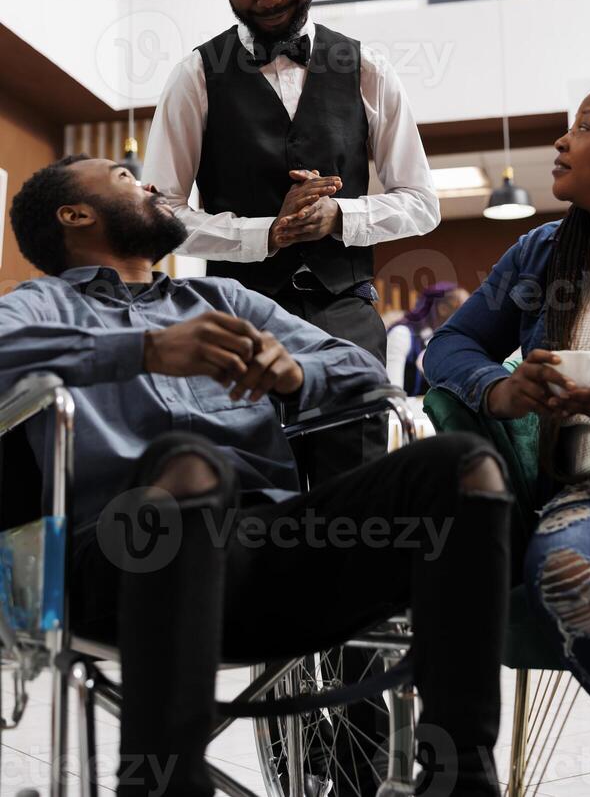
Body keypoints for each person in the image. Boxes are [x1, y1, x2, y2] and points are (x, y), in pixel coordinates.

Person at [5, 155, 510, 797]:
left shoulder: (227, 300)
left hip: (269, 551)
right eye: (126, 177)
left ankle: (459, 778)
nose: (154, 184)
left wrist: (298, 375)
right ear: (75, 214)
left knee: (462, 468)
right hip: (122, 560)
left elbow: (364, 372)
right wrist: (143, 350)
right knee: (190, 466)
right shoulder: (36, 305)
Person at [143, 0, 440, 476]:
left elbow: (421, 202)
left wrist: (341, 217)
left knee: (353, 490)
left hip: (347, 316)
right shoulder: (195, 76)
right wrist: (266, 234)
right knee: (255, 488)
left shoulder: (368, 68)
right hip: (236, 317)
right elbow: (158, 215)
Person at [424, 71, 590, 762]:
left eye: (586, 128)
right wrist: (501, 390)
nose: (562, 140)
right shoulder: (542, 254)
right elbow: (451, 346)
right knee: (566, 578)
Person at [386, 283, 469, 394]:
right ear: (443, 309)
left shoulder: (449, 341)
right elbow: (393, 392)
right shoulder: (401, 335)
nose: (468, 316)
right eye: (462, 309)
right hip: (408, 408)